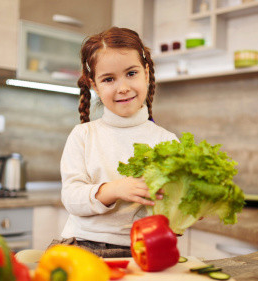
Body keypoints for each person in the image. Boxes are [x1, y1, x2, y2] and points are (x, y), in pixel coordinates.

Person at [50, 27, 178, 258]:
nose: (123, 88)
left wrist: (186, 208)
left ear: (146, 73)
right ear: (95, 85)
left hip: (142, 250)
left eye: (131, 73)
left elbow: (171, 214)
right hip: (82, 245)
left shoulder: (166, 141)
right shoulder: (83, 135)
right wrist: (115, 189)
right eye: (109, 79)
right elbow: (71, 198)